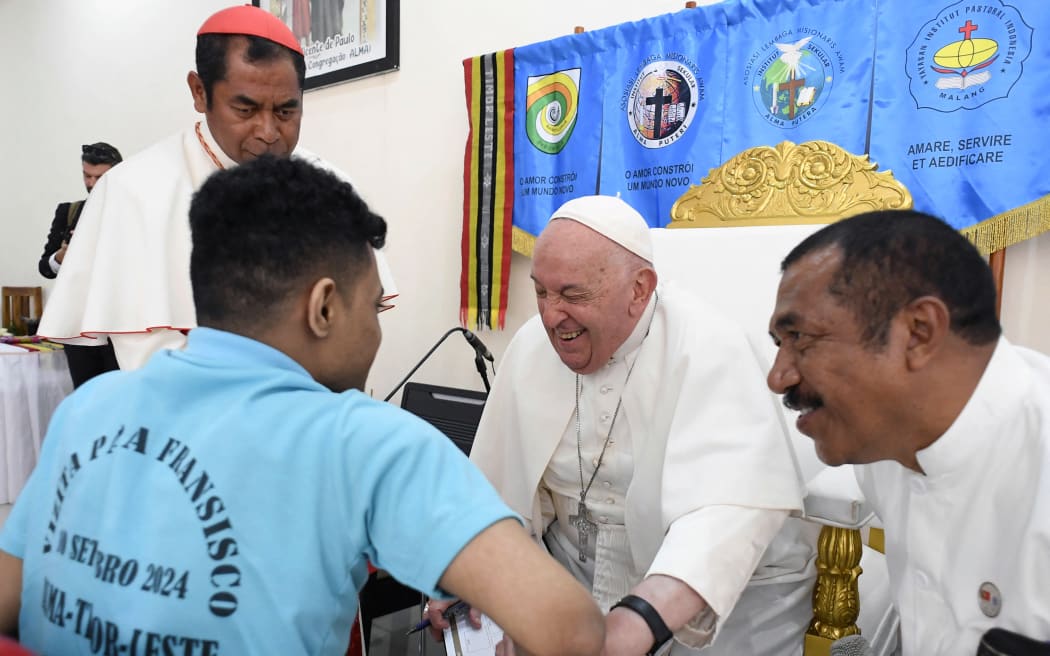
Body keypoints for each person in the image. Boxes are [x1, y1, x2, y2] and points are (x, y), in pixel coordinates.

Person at [0, 155, 605, 656]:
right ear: (323, 307)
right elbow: (571, 630)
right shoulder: (365, 442)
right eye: (373, 307)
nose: (376, 330)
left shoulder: (92, 405)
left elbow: (13, 594)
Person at [429, 195, 815, 656]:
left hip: (709, 600)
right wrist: (474, 568)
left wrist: (636, 623)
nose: (551, 317)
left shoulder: (708, 346)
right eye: (541, 291)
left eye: (573, 295)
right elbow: (498, 488)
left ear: (639, 289)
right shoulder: (532, 347)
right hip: (572, 582)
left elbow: (726, 515)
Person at [37, 5, 394, 371]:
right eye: (245, 110)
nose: (268, 133)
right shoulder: (131, 190)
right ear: (199, 92)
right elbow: (97, 364)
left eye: (286, 112)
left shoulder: (329, 188)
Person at [766, 209, 1050, 655]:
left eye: (800, 337)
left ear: (918, 333)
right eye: (777, 344)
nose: (777, 377)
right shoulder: (885, 448)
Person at [38, 142, 123, 387]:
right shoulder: (69, 212)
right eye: (87, 176)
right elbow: (45, 267)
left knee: (119, 399)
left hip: (119, 326)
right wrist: (62, 256)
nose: (92, 184)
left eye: (100, 177)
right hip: (78, 327)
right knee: (85, 396)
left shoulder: (133, 212)